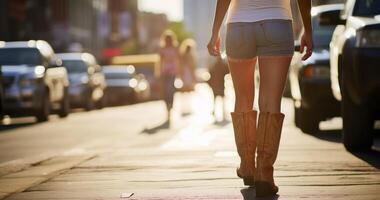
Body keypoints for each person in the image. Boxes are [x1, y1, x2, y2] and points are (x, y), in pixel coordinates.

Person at [208, 0, 313, 197]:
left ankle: (247, 165)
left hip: (239, 25)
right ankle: (264, 173)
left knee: (243, 98)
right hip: (277, 23)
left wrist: (215, 32)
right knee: (270, 101)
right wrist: (308, 29)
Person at [159, 30, 180, 125]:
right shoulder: (162, 50)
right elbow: (159, 62)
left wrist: (179, 71)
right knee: (165, 91)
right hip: (164, 72)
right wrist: (159, 72)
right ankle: (167, 106)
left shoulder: (175, 48)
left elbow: (178, 60)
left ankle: (170, 106)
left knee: (170, 89)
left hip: (172, 72)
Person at [208, 55, 229, 121]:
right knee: (221, 100)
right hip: (221, 86)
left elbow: (210, 73)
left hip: (215, 86)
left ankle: (215, 111)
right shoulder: (222, 65)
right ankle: (222, 113)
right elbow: (228, 71)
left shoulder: (214, 66)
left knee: (215, 99)